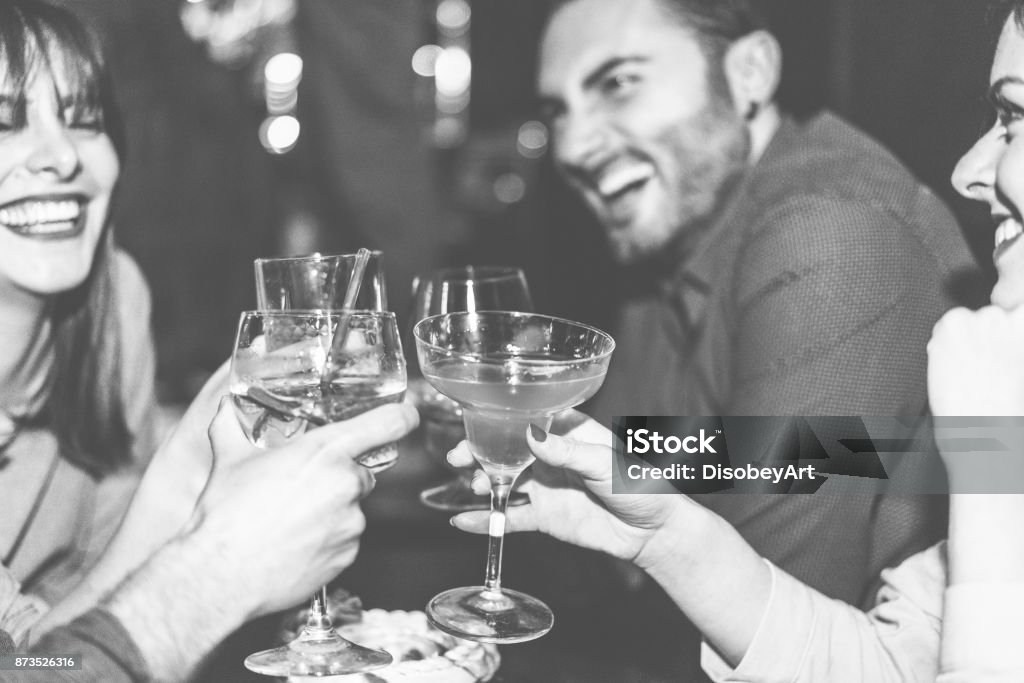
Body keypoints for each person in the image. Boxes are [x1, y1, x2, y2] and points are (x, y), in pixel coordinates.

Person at [449, 4, 1024, 679]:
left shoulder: (832, 236)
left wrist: (997, 464)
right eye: (558, 110)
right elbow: (725, 451)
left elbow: (774, 543)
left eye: (619, 82)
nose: (572, 147)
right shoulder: (670, 236)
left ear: (750, 72)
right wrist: (624, 488)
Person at [0, 2, 422, 679]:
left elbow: (44, 649)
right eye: (2, 122)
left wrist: (184, 469)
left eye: (85, 119)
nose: (61, 156)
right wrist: (216, 575)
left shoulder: (112, 303)